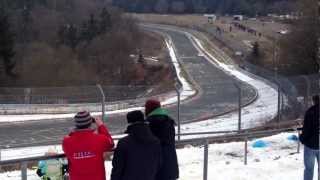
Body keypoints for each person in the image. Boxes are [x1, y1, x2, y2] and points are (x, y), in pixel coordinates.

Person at [63, 111, 114, 180]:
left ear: (76, 125)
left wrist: (73, 133)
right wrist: (101, 125)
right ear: (90, 123)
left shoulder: (66, 142)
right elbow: (110, 143)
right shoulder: (99, 139)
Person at [111, 110, 161, 180]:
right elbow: (158, 165)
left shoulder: (124, 143)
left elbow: (117, 169)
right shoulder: (156, 142)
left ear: (130, 123)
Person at [145, 99, 179, 180]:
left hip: (157, 169)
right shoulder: (168, 121)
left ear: (149, 109)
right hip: (170, 165)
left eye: (146, 108)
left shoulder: (152, 123)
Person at [299, 95, 319, 180]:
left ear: (313, 101)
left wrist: (302, 138)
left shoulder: (310, 112)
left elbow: (307, 129)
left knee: (309, 169)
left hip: (311, 145)